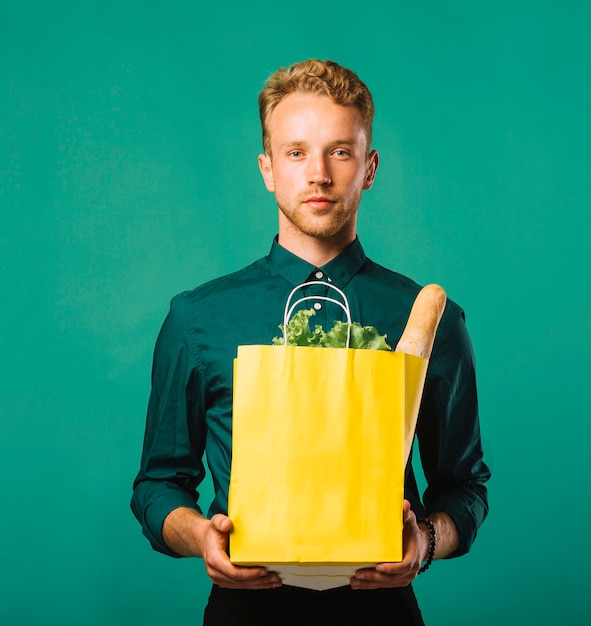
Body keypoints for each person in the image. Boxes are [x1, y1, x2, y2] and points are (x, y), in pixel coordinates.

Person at [131, 59, 490, 625]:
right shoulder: (198, 316)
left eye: (340, 152)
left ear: (369, 168)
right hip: (244, 611)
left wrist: (423, 541)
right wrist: (201, 536)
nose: (318, 174)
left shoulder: (431, 317)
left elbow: (464, 487)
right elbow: (158, 484)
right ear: (267, 169)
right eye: (295, 152)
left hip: (382, 610)